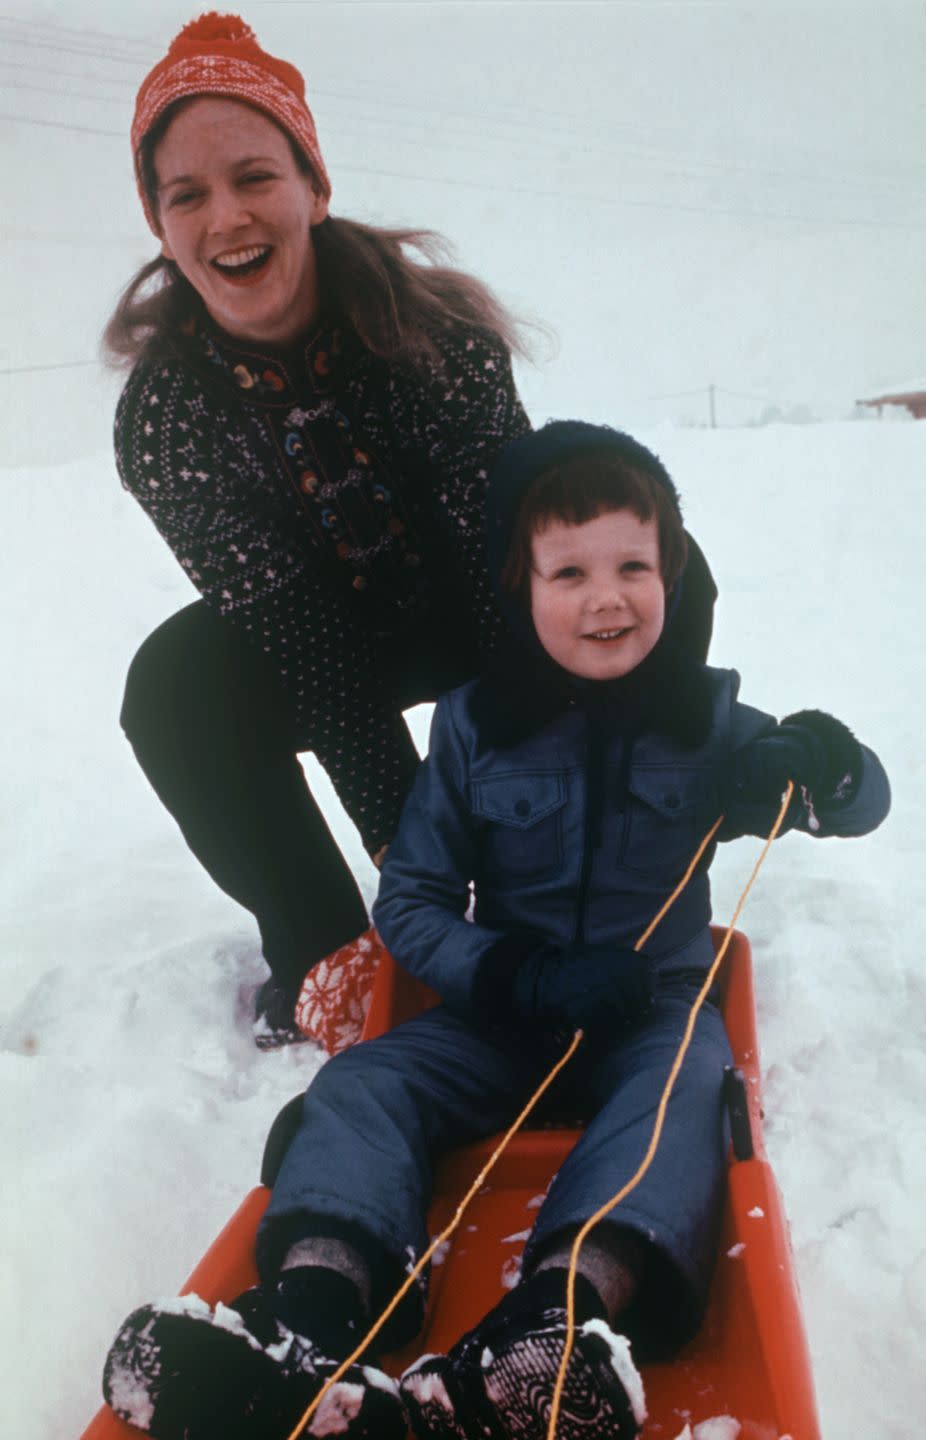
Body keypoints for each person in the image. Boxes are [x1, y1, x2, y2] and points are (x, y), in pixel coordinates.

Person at [102, 420, 890, 1440]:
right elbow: (413, 905)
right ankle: (309, 1314)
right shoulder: (477, 730)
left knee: (685, 1096)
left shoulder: (707, 727)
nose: (603, 597)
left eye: (632, 566)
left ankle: (556, 1330)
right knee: (361, 1083)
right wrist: (514, 974)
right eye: (566, 571)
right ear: (519, 588)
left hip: (647, 1011)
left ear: (674, 575)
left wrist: (816, 759)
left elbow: (858, 800)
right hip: (504, 1008)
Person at [108, 12, 719, 1049]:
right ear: (160, 224)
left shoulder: (432, 337)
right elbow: (304, 642)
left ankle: (619, 841)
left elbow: (507, 576)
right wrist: (414, 864)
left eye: (256, 176)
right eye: (187, 194)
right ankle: (326, 950)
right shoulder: (167, 423)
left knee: (653, 569)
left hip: (476, 593)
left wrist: (520, 858)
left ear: (313, 185)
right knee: (173, 686)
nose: (227, 217)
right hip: (320, 640)